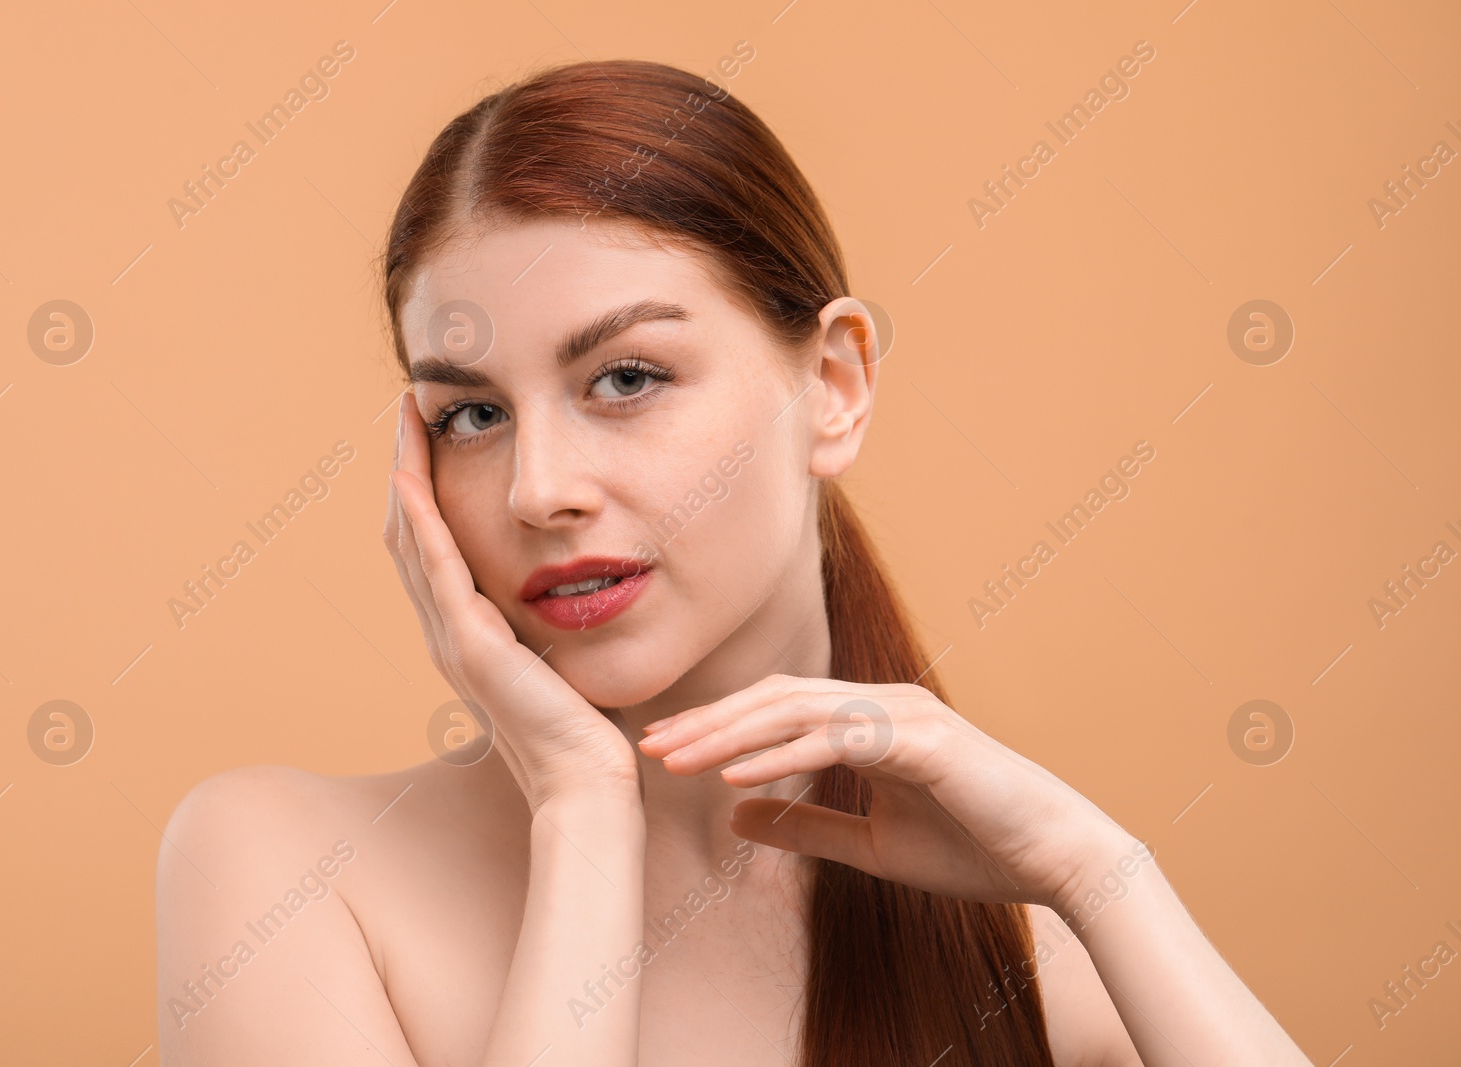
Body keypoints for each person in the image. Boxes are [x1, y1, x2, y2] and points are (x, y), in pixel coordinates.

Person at [155, 58, 1312, 1066]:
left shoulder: (1036, 947)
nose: (537, 487)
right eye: (470, 414)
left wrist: (1095, 868)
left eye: (624, 377)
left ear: (834, 384)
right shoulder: (284, 873)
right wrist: (582, 812)